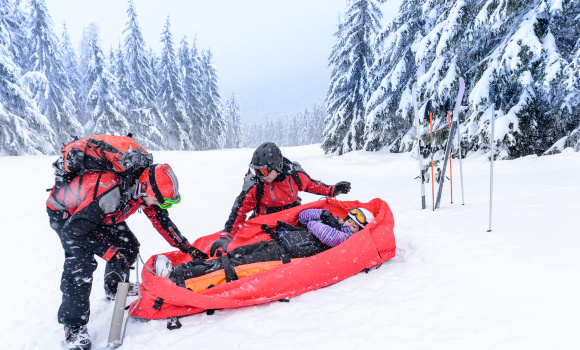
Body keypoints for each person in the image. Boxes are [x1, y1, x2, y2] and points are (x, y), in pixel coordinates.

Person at [47, 163, 207, 350]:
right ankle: (74, 327)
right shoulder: (113, 193)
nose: (160, 204)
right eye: (160, 200)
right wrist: (110, 253)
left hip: (99, 213)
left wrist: (187, 247)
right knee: (81, 265)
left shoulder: (141, 191)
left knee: (128, 246)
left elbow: (162, 221)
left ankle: (113, 288)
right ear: (146, 189)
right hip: (68, 216)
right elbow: (73, 231)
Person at [155, 207, 375, 287]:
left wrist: (318, 221)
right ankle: (182, 271)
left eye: (354, 225)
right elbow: (304, 216)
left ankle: (177, 278)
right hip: (279, 244)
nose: (348, 224)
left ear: (359, 230)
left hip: (284, 256)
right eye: (348, 219)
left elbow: (321, 232)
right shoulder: (335, 224)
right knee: (232, 255)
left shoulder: (345, 240)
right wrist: (321, 213)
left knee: (232, 267)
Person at [210, 142, 352, 257]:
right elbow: (239, 211)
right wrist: (226, 236)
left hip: (293, 220)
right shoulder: (256, 183)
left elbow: (311, 184)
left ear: (276, 166)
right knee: (259, 253)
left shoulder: (293, 174)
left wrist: (333, 190)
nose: (260, 175)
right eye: (256, 170)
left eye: (263, 171)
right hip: (266, 223)